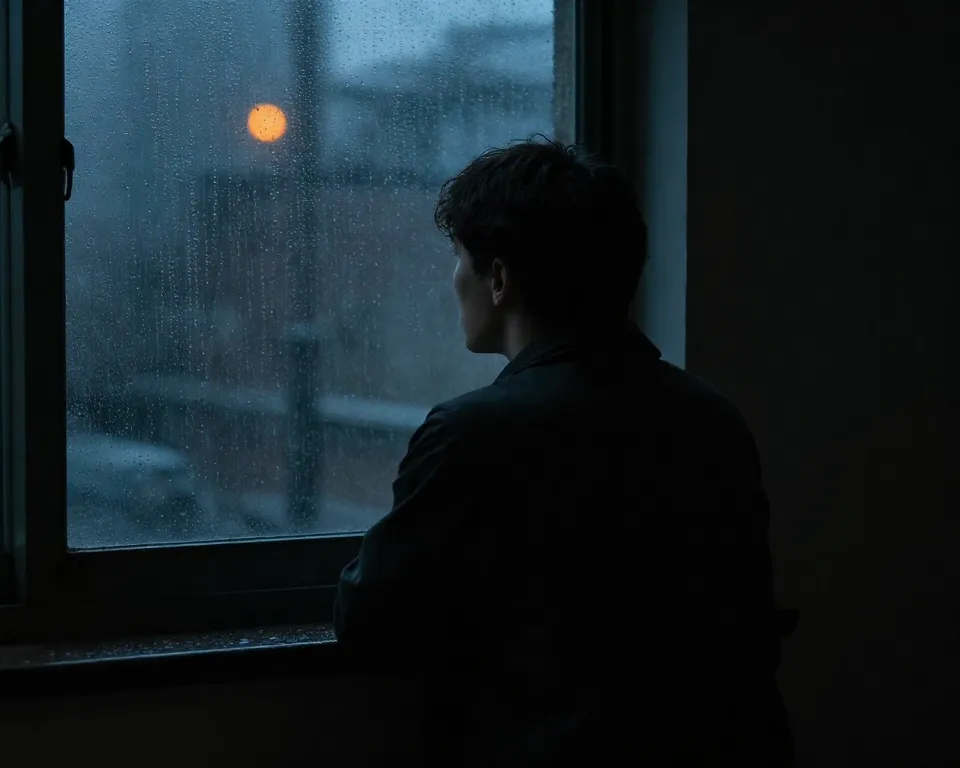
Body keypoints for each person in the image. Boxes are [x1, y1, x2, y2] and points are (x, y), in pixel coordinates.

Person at [334, 137, 796, 765]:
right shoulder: (711, 417)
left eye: (460, 259)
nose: (454, 281)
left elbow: (368, 621)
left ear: (499, 279)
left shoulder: (474, 433)